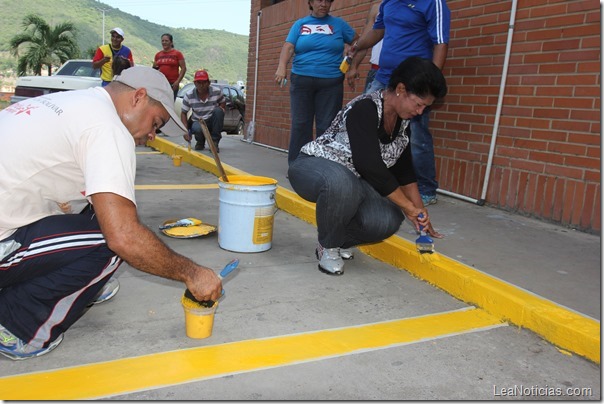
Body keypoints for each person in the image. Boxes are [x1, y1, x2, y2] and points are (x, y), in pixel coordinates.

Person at [0, 66, 223, 360]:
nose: (153, 136)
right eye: (155, 123)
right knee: (113, 243)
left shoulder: (75, 102)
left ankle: (87, 282)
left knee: (105, 208)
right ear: (139, 97)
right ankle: (17, 326)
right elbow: (124, 237)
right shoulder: (107, 129)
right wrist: (192, 273)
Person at [288, 57, 447, 276]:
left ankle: (340, 240)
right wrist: (408, 207)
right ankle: (328, 245)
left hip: (351, 182)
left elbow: (405, 173)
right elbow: (368, 164)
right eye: (419, 104)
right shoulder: (365, 108)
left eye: (424, 107)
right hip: (313, 167)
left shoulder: (402, 124)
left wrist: (420, 213)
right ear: (401, 89)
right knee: (342, 183)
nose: (420, 112)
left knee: (388, 218)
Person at [346, 0, 451, 206]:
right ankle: (364, 178)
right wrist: (358, 45)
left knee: (417, 136)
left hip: (414, 84)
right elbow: (377, 32)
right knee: (357, 118)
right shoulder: (389, 3)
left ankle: (426, 188)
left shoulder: (433, 3)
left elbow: (440, 43)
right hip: (384, 77)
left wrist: (428, 85)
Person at [274, 0, 357, 165]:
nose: (324, 4)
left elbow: (358, 42)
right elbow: (289, 47)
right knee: (300, 124)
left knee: (327, 126)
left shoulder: (339, 24)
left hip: (331, 82)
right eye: (319, 0)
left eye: (328, 0)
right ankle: (298, 166)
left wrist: (351, 55)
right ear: (311, 2)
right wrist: (281, 67)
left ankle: (323, 166)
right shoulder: (300, 24)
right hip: (301, 81)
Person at [181, 69, 226, 152]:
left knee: (219, 111)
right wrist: (185, 131)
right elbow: (183, 113)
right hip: (198, 120)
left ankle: (214, 142)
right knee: (197, 128)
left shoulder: (217, 92)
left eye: (204, 82)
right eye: (199, 82)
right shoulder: (189, 95)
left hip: (211, 119)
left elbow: (222, 102)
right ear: (195, 83)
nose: (201, 85)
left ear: (208, 83)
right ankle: (200, 141)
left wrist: (221, 111)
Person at [153, 33, 187, 99]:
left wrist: (177, 82)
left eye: (166, 41)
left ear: (171, 42)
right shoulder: (158, 55)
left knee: (169, 105)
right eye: (162, 41)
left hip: (172, 84)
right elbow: (154, 69)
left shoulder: (177, 54)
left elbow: (183, 68)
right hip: (161, 84)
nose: (164, 42)